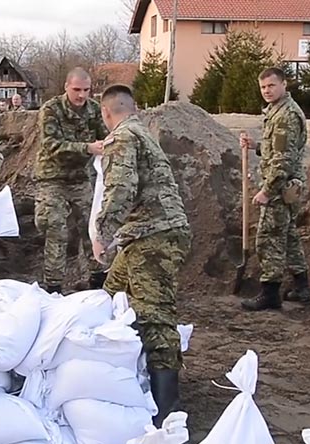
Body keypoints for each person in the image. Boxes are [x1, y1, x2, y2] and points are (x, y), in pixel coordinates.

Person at [92, 84, 191, 427]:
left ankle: (167, 409)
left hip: (153, 238)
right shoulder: (143, 133)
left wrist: (102, 234)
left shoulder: (120, 139)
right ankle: (114, 369)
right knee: (110, 296)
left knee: (155, 316)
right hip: (149, 235)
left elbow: (120, 188)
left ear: (107, 113)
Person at [240, 67, 310, 311]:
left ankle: (270, 293)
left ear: (284, 84)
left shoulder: (286, 116)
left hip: (280, 188)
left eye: (271, 85)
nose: (267, 91)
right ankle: (302, 286)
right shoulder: (278, 112)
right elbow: (278, 149)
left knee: (268, 238)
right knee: (289, 236)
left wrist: (267, 191)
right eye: (263, 87)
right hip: (286, 185)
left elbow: (283, 161)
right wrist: (256, 146)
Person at [35, 67, 108, 294]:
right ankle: (53, 286)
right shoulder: (51, 110)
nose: (82, 95)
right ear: (66, 87)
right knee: (56, 227)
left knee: (93, 226)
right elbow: (52, 146)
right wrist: (87, 148)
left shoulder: (94, 110)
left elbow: (106, 135)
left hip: (80, 178)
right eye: (77, 89)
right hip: (52, 178)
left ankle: (98, 279)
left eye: (86, 90)